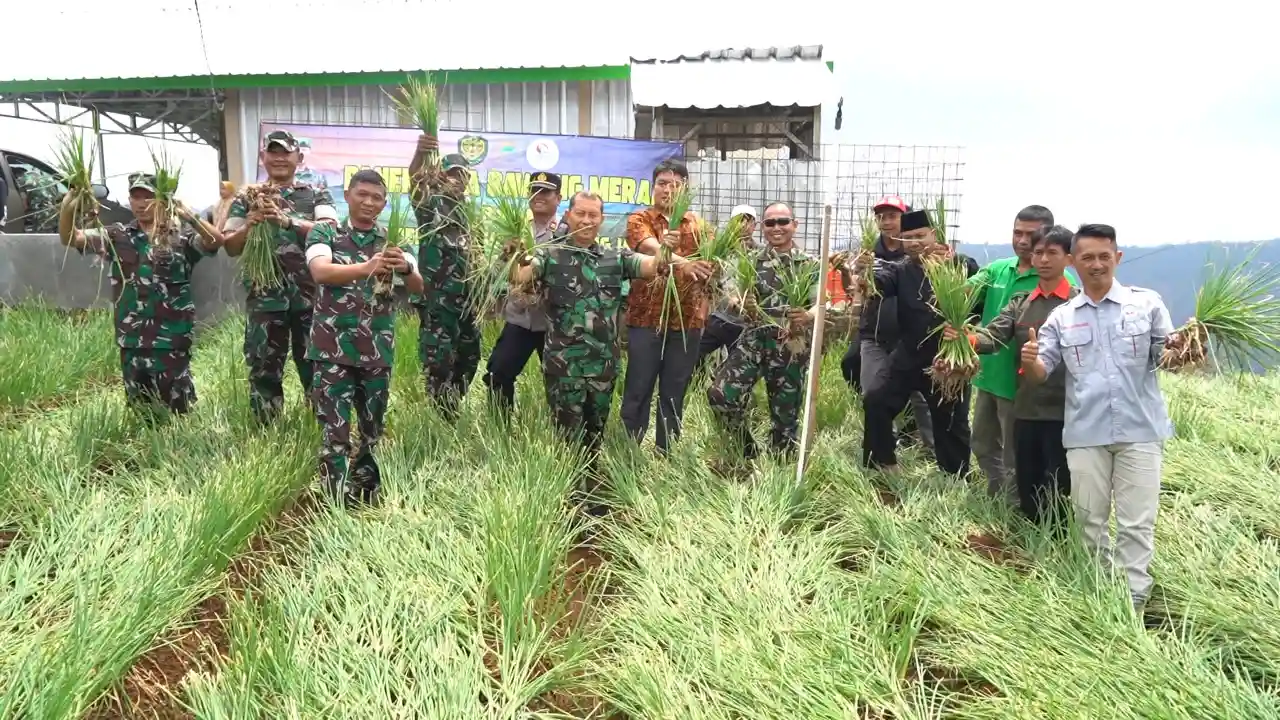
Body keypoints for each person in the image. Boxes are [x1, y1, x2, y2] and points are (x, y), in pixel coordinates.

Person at [1022, 223, 1175, 611]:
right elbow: (1042, 372)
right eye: (1087, 257)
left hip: (1140, 431)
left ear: (1117, 258)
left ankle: (1134, 600)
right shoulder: (1062, 317)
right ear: (1073, 262)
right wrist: (1031, 362)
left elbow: (1167, 356)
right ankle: (1100, 594)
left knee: (1136, 523)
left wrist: (1186, 349)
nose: (1096, 265)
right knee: (1089, 520)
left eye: (1104, 256)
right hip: (1085, 433)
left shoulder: (1147, 304)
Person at [508, 191, 675, 508]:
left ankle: (591, 488)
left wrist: (665, 249)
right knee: (567, 435)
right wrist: (515, 255)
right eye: (581, 213)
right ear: (568, 215)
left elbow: (652, 267)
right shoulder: (550, 256)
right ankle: (569, 497)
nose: (586, 220)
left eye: (593, 215)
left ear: (602, 220)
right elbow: (520, 276)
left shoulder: (614, 258)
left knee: (595, 433)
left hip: (602, 367)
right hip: (564, 368)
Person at [56, 173, 224, 421]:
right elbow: (71, 237)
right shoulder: (118, 236)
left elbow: (215, 241)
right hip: (133, 338)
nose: (142, 203)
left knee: (179, 411)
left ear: (162, 200)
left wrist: (189, 214)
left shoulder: (180, 237)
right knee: (141, 411)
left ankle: (179, 445)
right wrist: (68, 207)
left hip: (171, 338)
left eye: (148, 197)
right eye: (136, 197)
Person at [305, 169, 423, 507]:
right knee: (335, 430)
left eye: (377, 198)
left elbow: (418, 287)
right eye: (362, 194)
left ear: (384, 204)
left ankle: (367, 491)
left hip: (376, 350)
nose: (369, 202)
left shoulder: (392, 241)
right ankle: (335, 499)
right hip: (331, 350)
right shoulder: (326, 232)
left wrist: (405, 268)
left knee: (373, 428)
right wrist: (365, 268)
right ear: (347, 196)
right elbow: (320, 271)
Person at [947, 225, 1078, 522]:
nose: (1043, 259)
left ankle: (1061, 537)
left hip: (1066, 409)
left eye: (1052, 253)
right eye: (1039, 253)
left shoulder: (1078, 303)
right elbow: (993, 336)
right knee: (1027, 479)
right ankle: (1026, 532)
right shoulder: (1021, 302)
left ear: (1069, 259)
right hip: (1028, 405)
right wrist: (965, 338)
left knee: (1059, 482)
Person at [222, 129, 339, 425]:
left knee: (316, 365)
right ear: (263, 157)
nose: (279, 158)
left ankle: (322, 428)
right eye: (272, 152)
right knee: (264, 367)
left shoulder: (315, 193)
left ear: (298, 157)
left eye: (285, 152)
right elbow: (230, 245)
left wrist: (288, 221)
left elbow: (330, 231)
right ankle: (266, 431)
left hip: (309, 298)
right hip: (265, 299)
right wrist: (249, 225)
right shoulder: (248, 197)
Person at [856, 209, 977, 476]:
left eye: (920, 236)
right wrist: (865, 272)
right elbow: (879, 284)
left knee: (950, 421)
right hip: (909, 353)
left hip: (946, 358)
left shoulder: (959, 265)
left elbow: (977, 292)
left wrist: (950, 262)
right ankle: (883, 465)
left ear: (934, 234)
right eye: (907, 238)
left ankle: (954, 477)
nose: (913, 243)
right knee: (876, 400)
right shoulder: (901, 270)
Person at [707, 202, 822, 459]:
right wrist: (743, 304)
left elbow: (820, 304)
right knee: (721, 395)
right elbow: (735, 295)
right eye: (770, 223)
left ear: (795, 225)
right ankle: (746, 449)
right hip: (754, 341)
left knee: (785, 419)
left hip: (790, 345)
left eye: (783, 222)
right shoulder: (750, 262)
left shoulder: (809, 264)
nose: (776, 227)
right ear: (762, 227)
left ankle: (779, 466)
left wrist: (807, 316)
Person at [966, 205, 1062, 500]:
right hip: (988, 375)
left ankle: (1016, 503)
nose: (1022, 241)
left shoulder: (1059, 286)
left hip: (1022, 387)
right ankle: (997, 495)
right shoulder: (998, 269)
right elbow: (965, 294)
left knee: (1015, 452)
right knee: (982, 443)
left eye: (1030, 235)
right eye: (1017, 233)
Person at [620, 159, 714, 454]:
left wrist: (705, 299)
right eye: (662, 183)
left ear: (686, 189)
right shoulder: (640, 219)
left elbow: (712, 266)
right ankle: (629, 451)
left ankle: (666, 452)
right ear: (653, 187)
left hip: (687, 321)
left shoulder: (701, 227)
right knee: (638, 386)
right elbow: (649, 247)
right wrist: (683, 261)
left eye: (675, 185)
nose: (668, 190)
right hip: (646, 317)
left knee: (674, 389)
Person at [843, 196, 936, 452]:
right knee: (874, 391)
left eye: (893, 216)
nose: (886, 222)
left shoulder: (917, 252)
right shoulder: (868, 252)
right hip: (875, 333)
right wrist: (857, 274)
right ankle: (886, 446)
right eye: (881, 217)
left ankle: (930, 447)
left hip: (911, 338)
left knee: (921, 397)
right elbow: (857, 289)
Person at [409, 134, 481, 421]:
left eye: (462, 175)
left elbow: (477, 255)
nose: (457, 180)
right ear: (441, 175)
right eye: (452, 174)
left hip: (467, 300)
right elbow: (415, 182)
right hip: (438, 299)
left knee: (470, 356)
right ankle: (441, 417)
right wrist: (420, 155)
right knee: (438, 359)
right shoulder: (431, 205)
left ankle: (452, 402)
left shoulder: (470, 213)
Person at [482, 171, 561, 415]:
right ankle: (499, 426)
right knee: (498, 373)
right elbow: (498, 271)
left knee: (561, 381)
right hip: (520, 319)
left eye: (546, 192)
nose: (539, 196)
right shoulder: (515, 231)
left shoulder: (565, 232)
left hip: (553, 322)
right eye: (535, 191)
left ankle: (562, 429)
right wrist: (509, 257)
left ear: (558, 198)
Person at [695, 204, 759, 371]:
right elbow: (710, 282)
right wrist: (725, 295)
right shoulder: (720, 251)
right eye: (738, 220)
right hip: (719, 318)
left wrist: (743, 300)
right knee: (694, 355)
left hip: (744, 324)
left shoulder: (760, 254)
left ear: (754, 225)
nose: (743, 225)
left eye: (748, 221)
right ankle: (697, 383)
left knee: (737, 367)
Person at [15, 166, 60, 233]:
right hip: (54, 215)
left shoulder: (22, 181)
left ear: (17, 175)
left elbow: (24, 206)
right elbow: (56, 197)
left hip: (40, 217)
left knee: (41, 238)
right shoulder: (48, 179)